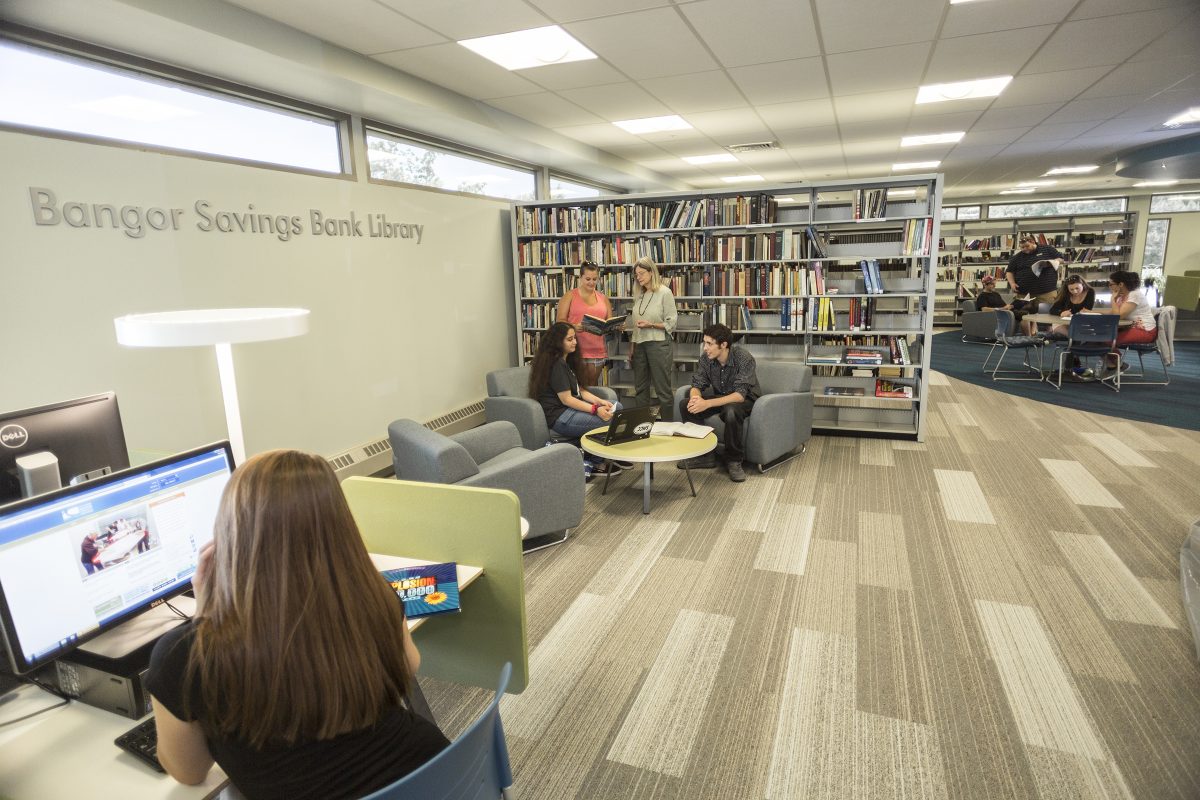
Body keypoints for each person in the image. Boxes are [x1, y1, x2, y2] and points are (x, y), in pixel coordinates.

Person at [144, 450, 449, 800]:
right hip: (445, 777)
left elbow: (188, 772)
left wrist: (205, 615)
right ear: (340, 528)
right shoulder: (373, 597)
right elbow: (408, 666)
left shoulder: (186, 654)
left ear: (231, 537)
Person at [528, 322, 624, 473]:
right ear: (557, 342)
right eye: (569, 339)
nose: (575, 342)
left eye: (574, 338)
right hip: (560, 416)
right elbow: (567, 399)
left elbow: (580, 391)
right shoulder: (556, 364)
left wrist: (601, 402)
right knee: (609, 419)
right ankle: (597, 462)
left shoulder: (567, 361)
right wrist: (595, 409)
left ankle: (607, 454)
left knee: (616, 407)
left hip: (571, 409)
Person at [676, 323, 761, 483]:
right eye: (704, 343)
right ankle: (705, 455)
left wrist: (707, 404)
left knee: (731, 411)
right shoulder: (706, 359)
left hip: (745, 400)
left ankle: (734, 460)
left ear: (723, 345)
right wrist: (696, 399)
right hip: (722, 396)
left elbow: (739, 396)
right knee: (686, 405)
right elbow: (697, 384)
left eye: (709, 344)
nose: (705, 348)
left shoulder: (744, 358)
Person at [628, 256, 678, 420]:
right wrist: (632, 348)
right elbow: (636, 325)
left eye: (642, 273)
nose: (639, 277)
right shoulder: (640, 295)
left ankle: (668, 426)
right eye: (636, 274)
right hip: (640, 345)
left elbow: (672, 323)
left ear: (651, 272)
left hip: (659, 344)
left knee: (662, 389)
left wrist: (651, 325)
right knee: (640, 388)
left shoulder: (665, 292)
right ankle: (641, 425)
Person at [556, 260, 612, 387]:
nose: (591, 283)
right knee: (577, 386)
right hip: (575, 349)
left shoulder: (603, 298)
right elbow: (559, 321)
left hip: (597, 350)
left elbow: (609, 322)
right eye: (587, 279)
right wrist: (573, 327)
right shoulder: (570, 296)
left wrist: (617, 326)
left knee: (592, 386)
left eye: (594, 279)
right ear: (580, 277)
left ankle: (593, 408)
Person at [1101, 269, 1157, 374]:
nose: (1110, 287)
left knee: (1106, 339)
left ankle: (1118, 364)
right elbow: (1113, 312)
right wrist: (1091, 312)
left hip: (1145, 330)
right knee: (1098, 337)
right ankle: (1115, 365)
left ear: (1120, 284)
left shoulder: (1134, 294)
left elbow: (1119, 316)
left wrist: (1112, 299)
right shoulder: (1123, 296)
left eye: (1111, 284)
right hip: (1133, 328)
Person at [1005, 236, 1064, 333]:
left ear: (1033, 242)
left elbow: (1061, 259)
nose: (1025, 249)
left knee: (1049, 316)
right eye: (1022, 247)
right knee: (1025, 315)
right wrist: (1012, 283)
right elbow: (1009, 271)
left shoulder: (1047, 249)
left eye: (1027, 246)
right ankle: (1029, 338)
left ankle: (1050, 337)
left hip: (1046, 291)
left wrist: (1054, 261)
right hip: (1024, 293)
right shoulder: (1017, 257)